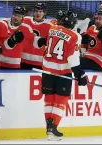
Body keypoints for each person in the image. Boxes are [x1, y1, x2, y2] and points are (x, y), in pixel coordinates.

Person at [40, 10, 87, 139]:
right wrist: (80, 74)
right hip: (62, 72)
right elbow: (73, 58)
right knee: (60, 100)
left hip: (47, 70)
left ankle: (49, 128)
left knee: (49, 98)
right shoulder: (75, 36)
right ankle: (54, 126)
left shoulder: (51, 28)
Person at [22, 3, 51, 69]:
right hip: (23, 59)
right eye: (36, 11)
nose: (38, 13)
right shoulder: (25, 20)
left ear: (44, 13)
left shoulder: (49, 26)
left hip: (39, 62)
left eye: (40, 11)